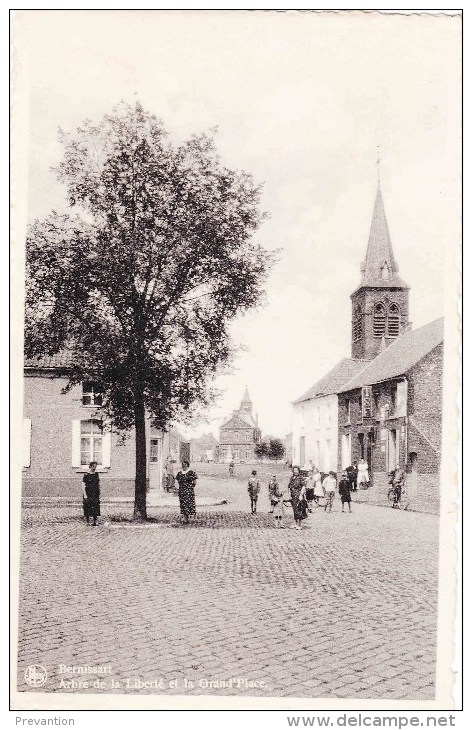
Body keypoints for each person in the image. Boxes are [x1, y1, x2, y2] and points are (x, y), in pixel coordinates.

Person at [288, 465, 307, 530]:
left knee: (299, 509)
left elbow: (304, 486)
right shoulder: (292, 478)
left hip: (298, 495)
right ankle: (295, 523)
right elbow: (289, 486)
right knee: (294, 510)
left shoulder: (300, 478)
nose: (295, 471)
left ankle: (299, 524)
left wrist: (301, 495)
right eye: (294, 470)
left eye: (297, 470)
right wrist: (289, 494)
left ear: (299, 471)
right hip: (293, 496)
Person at [83, 461, 100, 526]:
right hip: (88, 493)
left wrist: (98, 492)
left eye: (95, 467)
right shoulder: (86, 475)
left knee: (95, 506)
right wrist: (85, 494)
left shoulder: (96, 474)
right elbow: (83, 484)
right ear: (90, 466)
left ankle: (95, 521)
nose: (94, 468)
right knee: (87, 506)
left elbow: (98, 484)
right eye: (93, 466)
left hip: (95, 493)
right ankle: (88, 522)